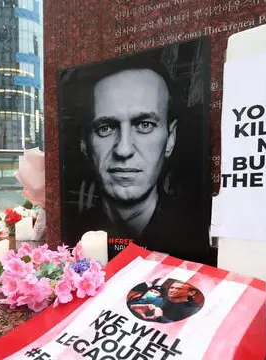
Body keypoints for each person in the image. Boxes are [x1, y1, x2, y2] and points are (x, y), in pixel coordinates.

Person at [66, 59, 210, 263]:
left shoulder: (194, 233)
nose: (123, 149)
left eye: (144, 125)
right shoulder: (70, 234)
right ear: (84, 143)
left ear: (170, 138)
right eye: (106, 128)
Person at [131, 280, 201, 323]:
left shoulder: (193, 309)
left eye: (178, 289)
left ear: (191, 293)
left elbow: (182, 331)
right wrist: (133, 307)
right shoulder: (158, 299)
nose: (172, 290)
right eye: (172, 287)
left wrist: (160, 318)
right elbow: (132, 306)